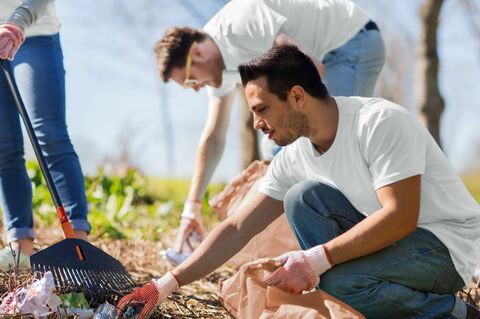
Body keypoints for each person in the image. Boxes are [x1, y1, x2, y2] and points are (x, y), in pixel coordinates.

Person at [118, 45, 480, 319]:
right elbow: (238, 227)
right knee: (303, 198)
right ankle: (361, 294)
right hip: (397, 242)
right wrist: (167, 283)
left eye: (261, 109)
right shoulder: (296, 155)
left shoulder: (378, 123)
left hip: (445, 247)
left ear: (296, 96)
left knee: (336, 283)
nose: (257, 123)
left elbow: (401, 216)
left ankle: (452, 312)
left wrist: (317, 259)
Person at [155, 0, 386, 257]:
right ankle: (288, 246)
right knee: (275, 150)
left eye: (190, 81)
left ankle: (363, 242)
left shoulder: (240, 22)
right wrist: (192, 207)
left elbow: (310, 69)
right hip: (320, 56)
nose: (197, 88)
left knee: (328, 140)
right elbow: (214, 138)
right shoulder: (217, 67)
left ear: (196, 54)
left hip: (351, 40)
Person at [0, 0, 90, 270]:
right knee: (4, 147)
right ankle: (20, 250)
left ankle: (77, 245)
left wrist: (17, 21)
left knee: (49, 135)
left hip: (34, 34)